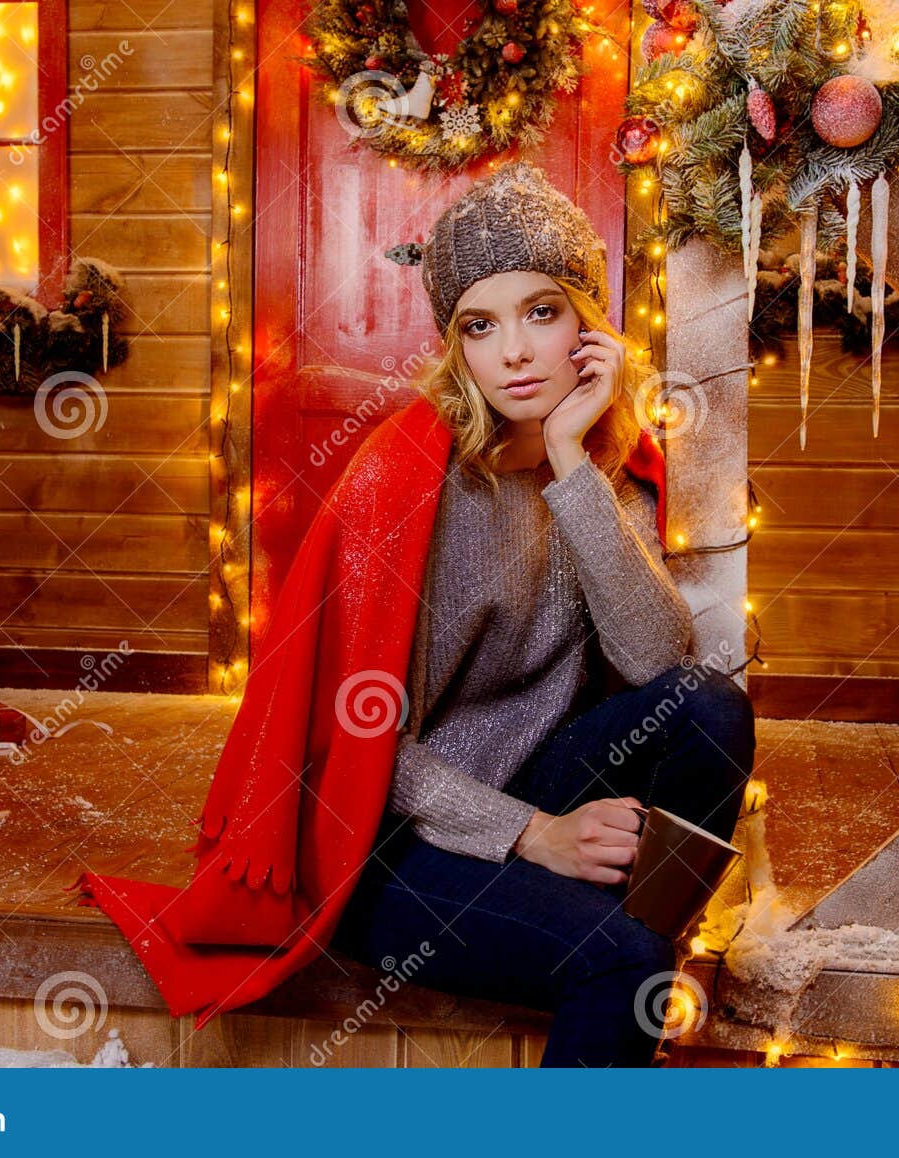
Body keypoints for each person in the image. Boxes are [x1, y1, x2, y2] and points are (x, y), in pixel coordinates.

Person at [329, 160, 756, 1067]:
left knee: (708, 701)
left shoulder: (599, 465)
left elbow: (654, 660)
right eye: (481, 326)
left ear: (585, 328)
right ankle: (613, 939)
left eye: (542, 312)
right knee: (626, 966)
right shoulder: (405, 481)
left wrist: (569, 458)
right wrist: (533, 836)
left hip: (532, 777)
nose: (514, 352)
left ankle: (627, 916)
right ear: (457, 348)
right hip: (399, 840)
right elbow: (359, 742)